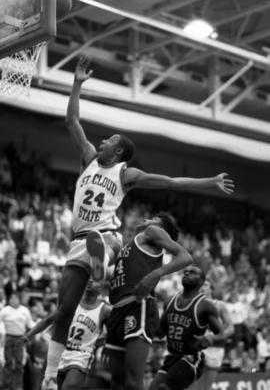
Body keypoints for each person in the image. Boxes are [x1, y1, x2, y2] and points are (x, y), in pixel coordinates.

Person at [42, 56, 234, 390]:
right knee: (63, 312)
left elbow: (171, 182)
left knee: (112, 242)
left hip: (107, 235)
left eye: (110, 140)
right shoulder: (89, 158)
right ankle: (48, 377)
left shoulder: (125, 174)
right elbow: (72, 119)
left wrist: (209, 182)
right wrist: (76, 84)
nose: (103, 141)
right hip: (82, 242)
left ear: (118, 153)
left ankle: (103, 260)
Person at [105, 212, 192, 390]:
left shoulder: (152, 232)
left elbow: (186, 257)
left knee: (133, 382)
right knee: (116, 383)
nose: (148, 219)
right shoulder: (130, 245)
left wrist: (155, 274)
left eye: (155, 218)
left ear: (161, 228)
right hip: (117, 311)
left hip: (138, 306)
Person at [26, 280, 110, 390]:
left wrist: (105, 344)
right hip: (60, 352)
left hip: (82, 355)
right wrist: (27, 335)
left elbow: (114, 331)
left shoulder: (104, 310)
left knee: (68, 387)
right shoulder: (72, 303)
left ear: (100, 289)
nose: (89, 281)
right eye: (88, 279)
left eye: (94, 281)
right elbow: (48, 320)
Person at [149, 265, 223, 390]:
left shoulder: (206, 305)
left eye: (192, 272)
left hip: (191, 359)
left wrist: (209, 338)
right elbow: (160, 332)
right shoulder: (169, 301)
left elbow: (219, 331)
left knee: (165, 387)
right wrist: (149, 313)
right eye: (185, 272)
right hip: (172, 357)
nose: (187, 274)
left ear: (201, 281)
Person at [190, 279, 234, 390]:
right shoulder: (191, 305)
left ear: (211, 290)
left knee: (206, 386)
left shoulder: (219, 305)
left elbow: (231, 328)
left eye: (205, 285)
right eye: (200, 285)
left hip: (215, 347)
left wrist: (214, 337)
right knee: (191, 384)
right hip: (196, 347)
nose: (202, 287)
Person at [0, 292, 35, 390]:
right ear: (9, 300)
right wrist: (2, 333)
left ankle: (18, 386)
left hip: (20, 338)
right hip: (8, 337)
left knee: (19, 364)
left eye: (16, 298)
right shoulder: (4, 310)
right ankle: (6, 385)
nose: (14, 300)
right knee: (8, 362)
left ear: (19, 300)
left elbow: (30, 324)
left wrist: (39, 326)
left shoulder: (24, 310)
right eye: (12, 298)